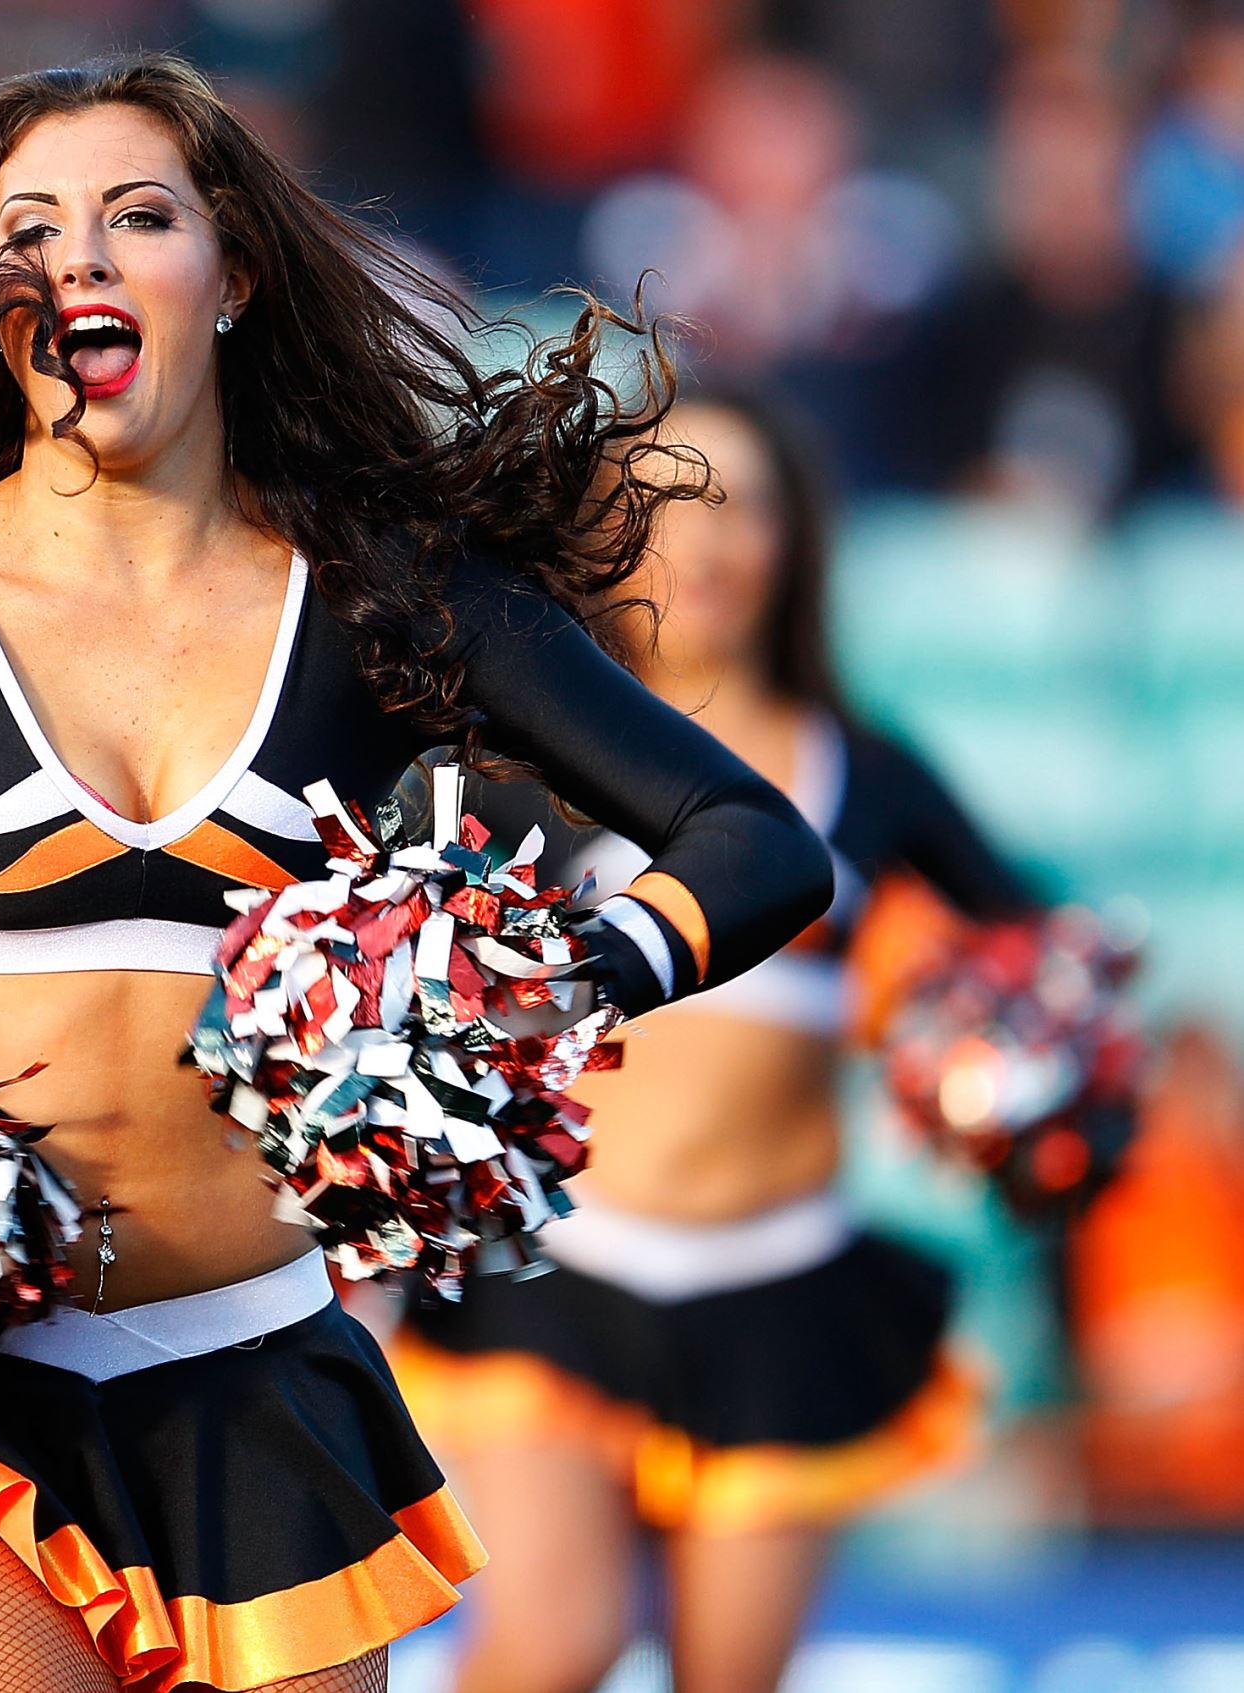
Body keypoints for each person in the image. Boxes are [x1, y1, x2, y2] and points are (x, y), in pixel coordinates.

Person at [0, 54, 833, 1693]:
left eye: (139, 216)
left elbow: (756, 841)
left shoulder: (371, 599)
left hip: (254, 1376)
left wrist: (541, 989)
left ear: (235, 274)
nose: (83, 262)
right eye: (30, 232)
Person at [395, 385, 1038, 1693]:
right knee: (554, 1639)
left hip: (781, 1288)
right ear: (607, 533)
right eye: (670, 499)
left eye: (744, 503)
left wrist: (1002, 1057)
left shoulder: (870, 771)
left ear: (796, 540)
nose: (709, 537)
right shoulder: (528, 757)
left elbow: (1030, 952)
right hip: (557, 1275)